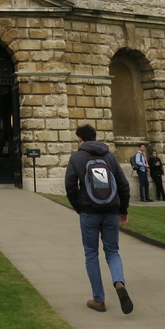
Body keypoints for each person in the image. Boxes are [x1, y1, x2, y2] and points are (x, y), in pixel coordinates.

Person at [65, 124, 133, 315]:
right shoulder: (109, 156)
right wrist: (123, 210)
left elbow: (70, 186)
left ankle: (99, 300)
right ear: (95, 137)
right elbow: (123, 185)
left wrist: (79, 208)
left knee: (91, 254)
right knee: (112, 251)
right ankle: (119, 283)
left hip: (89, 211)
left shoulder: (77, 157)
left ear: (80, 139)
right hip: (111, 210)